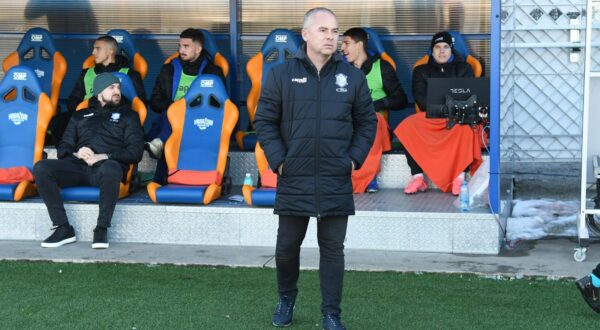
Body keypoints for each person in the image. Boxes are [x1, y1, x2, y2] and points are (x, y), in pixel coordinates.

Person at [253, 8, 377, 330]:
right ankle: (286, 297)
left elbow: (368, 123)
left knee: (333, 250)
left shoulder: (352, 77)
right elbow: (264, 121)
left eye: (335, 31)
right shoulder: (280, 75)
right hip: (295, 175)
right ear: (305, 34)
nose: (331, 36)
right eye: (323, 30)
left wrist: (352, 160)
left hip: (335, 178)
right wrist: (281, 161)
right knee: (286, 248)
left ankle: (331, 313)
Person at [34, 73, 144, 249]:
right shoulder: (79, 115)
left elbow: (135, 152)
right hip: (77, 168)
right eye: (112, 88)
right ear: (99, 92)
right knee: (41, 167)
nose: (117, 91)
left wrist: (103, 156)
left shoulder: (129, 116)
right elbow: (63, 148)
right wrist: (78, 153)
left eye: (119, 88)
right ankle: (63, 228)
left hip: (105, 170)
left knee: (111, 168)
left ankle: (101, 228)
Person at [394, 31, 483, 195]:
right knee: (407, 126)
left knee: (467, 126)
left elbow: (469, 97)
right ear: (432, 50)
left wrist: (447, 104)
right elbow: (421, 100)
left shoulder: (464, 68)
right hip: (431, 117)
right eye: (437, 47)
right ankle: (418, 177)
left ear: (451, 50)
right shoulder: (421, 70)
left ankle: (459, 177)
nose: (441, 51)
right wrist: (448, 103)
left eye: (446, 47)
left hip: (457, 117)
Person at [147, 28, 225, 184]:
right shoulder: (169, 69)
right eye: (180, 46)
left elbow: (222, 106)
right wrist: (175, 106)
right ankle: (162, 179)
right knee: (174, 115)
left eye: (186, 46)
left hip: (202, 122)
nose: (181, 50)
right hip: (171, 120)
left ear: (198, 48)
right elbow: (155, 102)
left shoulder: (213, 72)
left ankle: (160, 151)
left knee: (171, 133)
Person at [341, 27, 408, 193]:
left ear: (359, 45)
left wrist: (375, 104)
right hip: (345, 119)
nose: (342, 48)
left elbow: (401, 100)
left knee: (372, 122)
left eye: (346, 43)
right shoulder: (339, 69)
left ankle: (368, 177)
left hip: (374, 120)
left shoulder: (382, 67)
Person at [48, 35, 145, 147]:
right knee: (58, 122)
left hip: (115, 118)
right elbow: (73, 102)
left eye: (97, 48)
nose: (93, 52)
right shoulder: (86, 73)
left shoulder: (129, 74)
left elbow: (138, 104)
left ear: (110, 51)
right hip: (87, 114)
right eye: (93, 48)